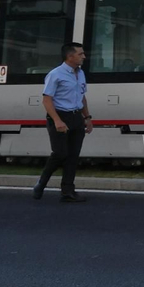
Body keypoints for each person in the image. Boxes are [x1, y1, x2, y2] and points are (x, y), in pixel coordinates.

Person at [33, 42, 91, 202]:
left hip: (76, 117)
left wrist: (87, 117)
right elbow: (47, 100)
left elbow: (82, 96)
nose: (84, 56)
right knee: (60, 154)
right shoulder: (55, 74)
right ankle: (41, 183)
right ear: (70, 56)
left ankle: (68, 191)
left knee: (73, 155)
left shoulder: (81, 73)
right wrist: (57, 121)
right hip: (59, 116)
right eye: (80, 54)